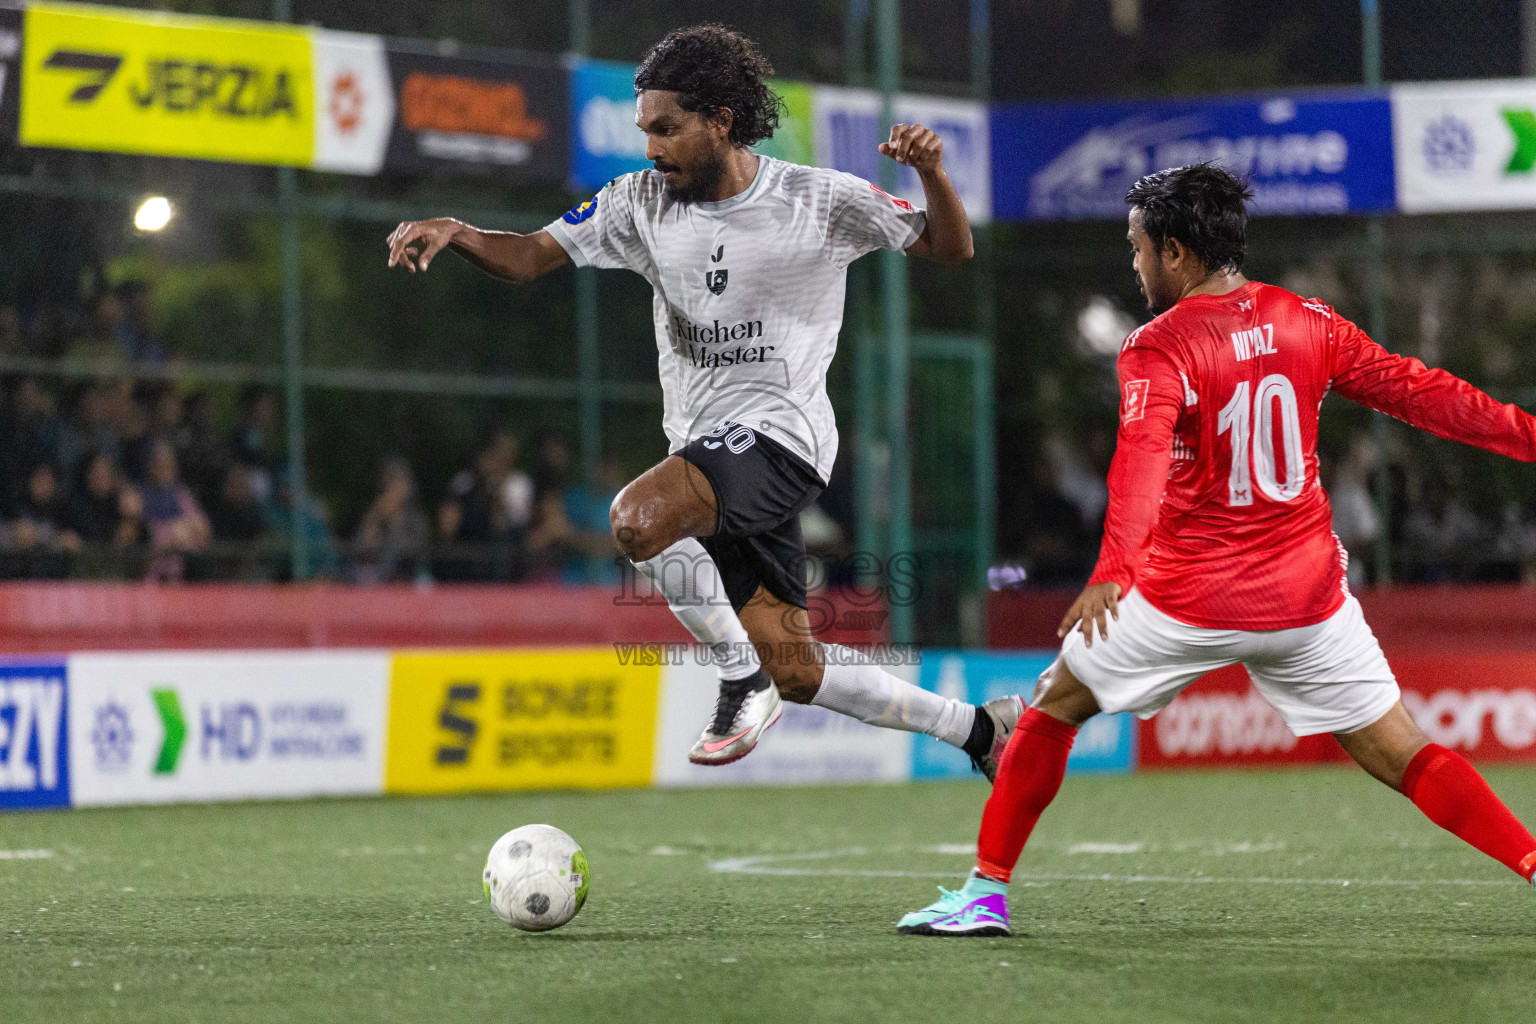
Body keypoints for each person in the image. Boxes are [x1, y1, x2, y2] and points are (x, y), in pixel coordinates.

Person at [898, 163, 1536, 937]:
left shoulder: (1158, 346)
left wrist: (1112, 572)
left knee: (1055, 708)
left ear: (1174, 251)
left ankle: (984, 894)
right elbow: (1423, 391)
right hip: (1308, 605)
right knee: (1406, 753)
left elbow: (1137, 460)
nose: (1133, 267)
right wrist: (1527, 435)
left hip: (1186, 599)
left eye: (1136, 249)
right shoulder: (1311, 319)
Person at [386, 24, 1019, 774]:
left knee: (635, 519)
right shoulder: (638, 203)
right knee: (800, 671)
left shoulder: (816, 199)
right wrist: (457, 229)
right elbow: (528, 257)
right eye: (644, 130)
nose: (650, 147)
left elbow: (950, 247)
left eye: (666, 128)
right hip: (706, 454)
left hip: (783, 441)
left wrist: (934, 175)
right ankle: (980, 729)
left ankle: (737, 671)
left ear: (720, 119)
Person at [140, 438, 212, 582]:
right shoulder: (140, 493)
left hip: (183, 573)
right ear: (151, 465)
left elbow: (203, 531)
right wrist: (173, 532)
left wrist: (182, 530)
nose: (165, 467)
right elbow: (145, 534)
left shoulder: (181, 494)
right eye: (159, 462)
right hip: (150, 574)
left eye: (169, 462)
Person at [351, 455, 430, 584]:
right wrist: (374, 519)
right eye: (388, 483)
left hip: (405, 581)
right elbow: (361, 550)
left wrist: (395, 523)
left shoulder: (416, 520)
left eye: (396, 482)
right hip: (372, 583)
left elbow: (411, 554)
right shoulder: (373, 514)